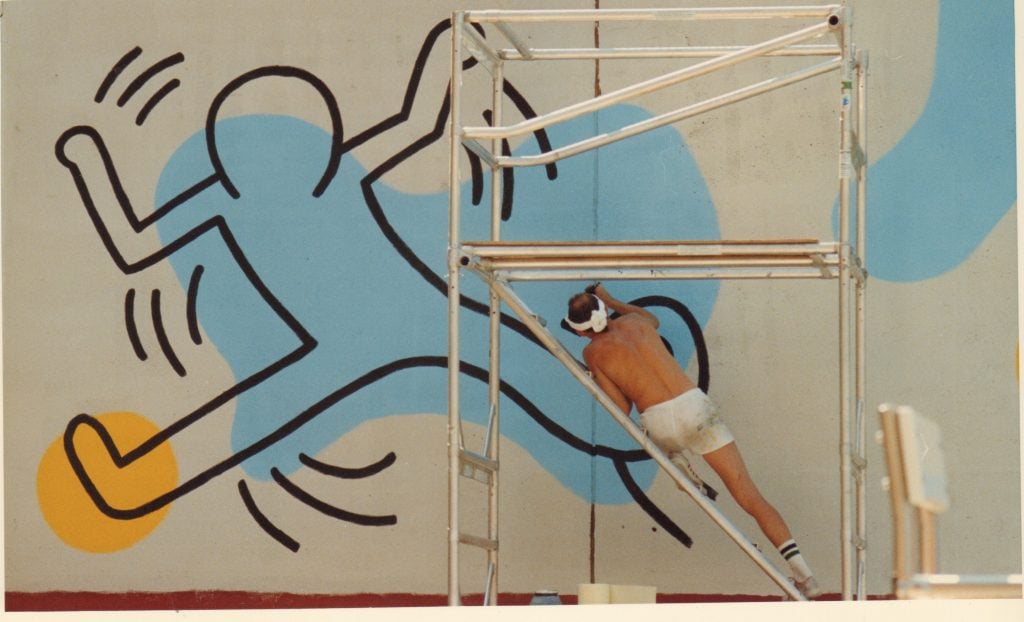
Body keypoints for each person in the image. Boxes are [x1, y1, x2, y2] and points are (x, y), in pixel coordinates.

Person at [565, 283, 821, 599]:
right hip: (693, 407)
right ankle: (805, 575)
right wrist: (612, 299)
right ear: (604, 310)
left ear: (579, 333)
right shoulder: (637, 322)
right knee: (749, 495)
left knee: (657, 435)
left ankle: (675, 459)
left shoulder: (593, 352)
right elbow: (651, 319)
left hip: (658, 418)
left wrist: (595, 377)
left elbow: (621, 407)